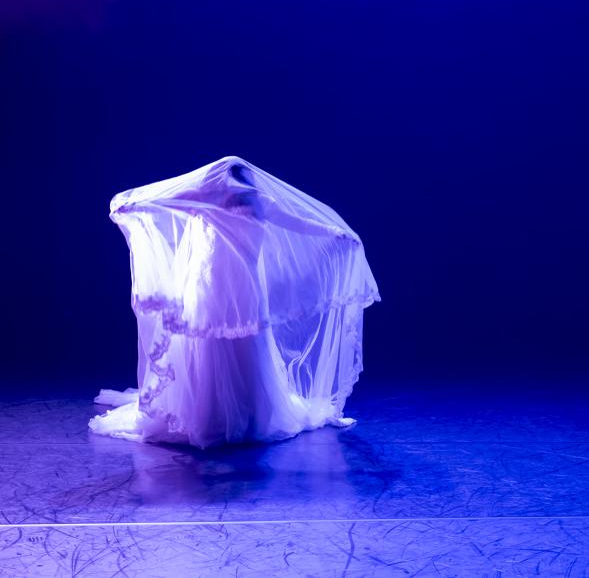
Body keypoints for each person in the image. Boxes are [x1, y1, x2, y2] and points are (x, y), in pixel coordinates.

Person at [90, 157, 380, 448]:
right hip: (214, 286)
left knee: (241, 346)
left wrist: (338, 235)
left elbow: (299, 224)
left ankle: (242, 416)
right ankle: (214, 417)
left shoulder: (248, 200)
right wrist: (134, 205)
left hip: (239, 288)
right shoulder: (218, 198)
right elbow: (164, 202)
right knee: (212, 346)